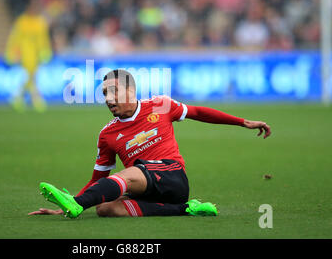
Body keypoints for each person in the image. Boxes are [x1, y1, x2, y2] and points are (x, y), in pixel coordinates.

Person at [29, 69, 271, 218]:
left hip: (172, 175)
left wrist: (242, 122)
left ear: (130, 90)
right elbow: (97, 180)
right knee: (105, 209)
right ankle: (186, 210)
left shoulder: (160, 105)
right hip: (144, 189)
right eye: (103, 94)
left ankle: (78, 206)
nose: (108, 99)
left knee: (131, 173)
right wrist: (66, 205)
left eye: (113, 91)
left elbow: (197, 111)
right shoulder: (107, 134)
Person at [5, 0, 52, 112]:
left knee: (31, 77)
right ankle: (34, 99)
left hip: (36, 55)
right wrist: (12, 52)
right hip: (24, 54)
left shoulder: (40, 22)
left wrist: (46, 52)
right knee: (29, 76)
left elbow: (43, 40)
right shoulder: (22, 22)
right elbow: (15, 39)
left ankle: (18, 98)